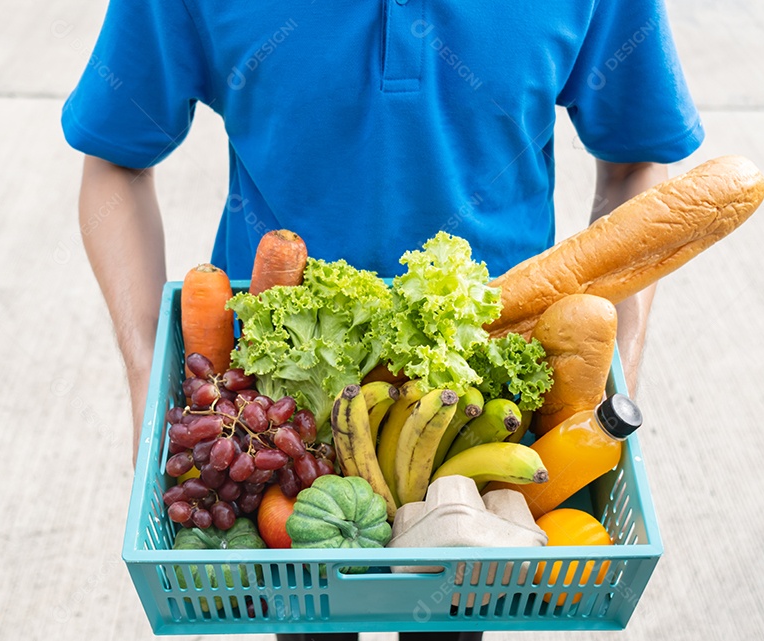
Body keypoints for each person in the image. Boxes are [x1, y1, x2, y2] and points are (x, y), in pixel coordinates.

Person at [63, 1, 701, 639]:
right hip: (275, 411)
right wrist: (146, 374)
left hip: (489, 399)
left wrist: (617, 374)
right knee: (310, 620)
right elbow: (117, 158)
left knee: (451, 621)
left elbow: (633, 163)